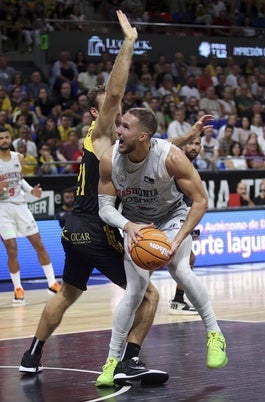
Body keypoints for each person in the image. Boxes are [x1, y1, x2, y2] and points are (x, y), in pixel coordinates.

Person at [19, 10, 168, 388]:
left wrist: (184, 144)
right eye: (109, 109)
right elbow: (116, 93)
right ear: (94, 111)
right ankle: (127, 361)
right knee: (148, 296)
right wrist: (129, 44)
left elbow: (150, 147)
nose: (116, 113)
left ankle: (31, 354)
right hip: (95, 227)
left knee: (68, 292)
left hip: (74, 228)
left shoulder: (114, 141)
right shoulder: (100, 132)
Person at [98, 108, 228, 377]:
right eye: (119, 126)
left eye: (125, 127)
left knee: (180, 269)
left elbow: (201, 200)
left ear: (143, 136)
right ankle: (111, 362)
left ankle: (215, 334)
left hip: (171, 217)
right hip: (136, 224)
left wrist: (177, 239)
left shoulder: (170, 156)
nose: (118, 131)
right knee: (135, 290)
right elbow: (105, 208)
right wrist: (128, 226)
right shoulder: (109, 159)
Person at [0, 127, 61, 303]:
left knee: (38, 243)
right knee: (11, 249)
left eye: (6, 137)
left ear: (10, 138)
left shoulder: (18, 157)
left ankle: (52, 283)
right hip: (3, 210)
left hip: (21, 207)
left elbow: (19, 180)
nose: (4, 140)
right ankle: (18, 288)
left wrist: (31, 190)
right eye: (1, 138)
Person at [169, 135, 202, 315]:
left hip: (181, 216)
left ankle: (177, 301)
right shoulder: (175, 161)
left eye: (197, 144)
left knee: (189, 258)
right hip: (166, 217)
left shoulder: (191, 167)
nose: (194, 147)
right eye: (190, 143)